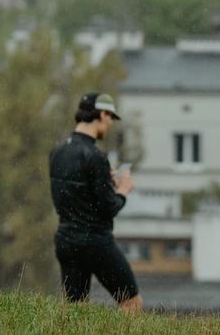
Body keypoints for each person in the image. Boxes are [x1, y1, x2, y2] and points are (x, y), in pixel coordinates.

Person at [48, 92, 142, 312]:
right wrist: (123, 190)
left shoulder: (58, 152)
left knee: (76, 310)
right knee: (131, 303)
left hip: (66, 240)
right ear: (102, 113)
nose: (109, 124)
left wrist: (101, 180)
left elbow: (69, 195)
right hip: (95, 243)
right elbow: (109, 207)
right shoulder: (95, 157)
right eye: (110, 118)